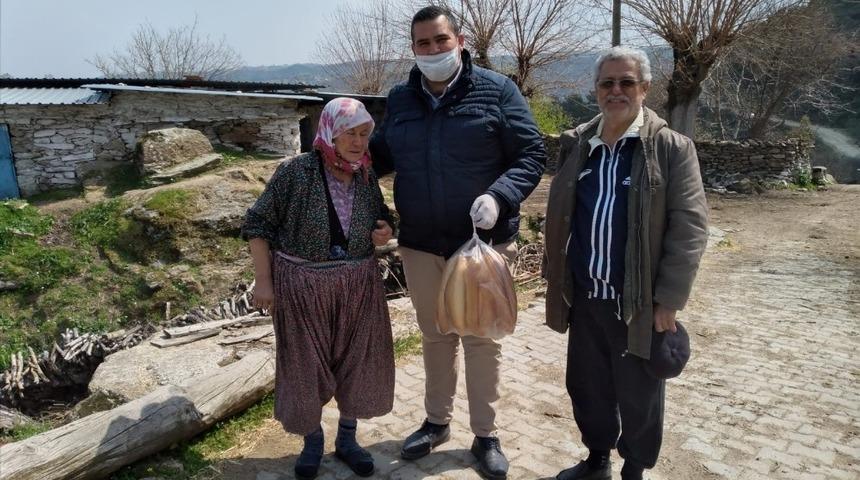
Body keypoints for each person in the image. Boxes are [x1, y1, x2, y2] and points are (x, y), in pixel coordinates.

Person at [369, 6, 546, 480]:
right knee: (436, 335)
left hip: (482, 245)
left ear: (460, 40)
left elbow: (532, 152)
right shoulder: (401, 100)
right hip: (422, 242)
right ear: (413, 49)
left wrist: (500, 195)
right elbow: (376, 159)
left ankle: (486, 434)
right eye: (423, 43)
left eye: (441, 40)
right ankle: (436, 422)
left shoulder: (497, 90)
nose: (433, 50)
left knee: (481, 337)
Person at [543, 46, 709, 480]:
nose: (616, 91)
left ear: (645, 89)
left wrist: (668, 300)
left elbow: (689, 228)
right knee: (587, 386)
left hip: (636, 302)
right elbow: (563, 214)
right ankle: (597, 459)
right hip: (585, 296)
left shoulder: (671, 149)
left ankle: (634, 468)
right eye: (607, 83)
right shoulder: (578, 144)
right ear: (596, 89)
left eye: (626, 83)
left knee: (639, 394)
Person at [241, 97, 395, 480]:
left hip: (358, 284)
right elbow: (257, 224)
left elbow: (381, 215)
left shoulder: (365, 174)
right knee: (304, 366)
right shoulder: (296, 172)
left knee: (358, 360)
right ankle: (312, 440)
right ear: (330, 131)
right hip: (303, 285)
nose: (358, 142)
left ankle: (347, 439)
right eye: (350, 133)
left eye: (364, 134)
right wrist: (264, 282)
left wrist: (385, 229)